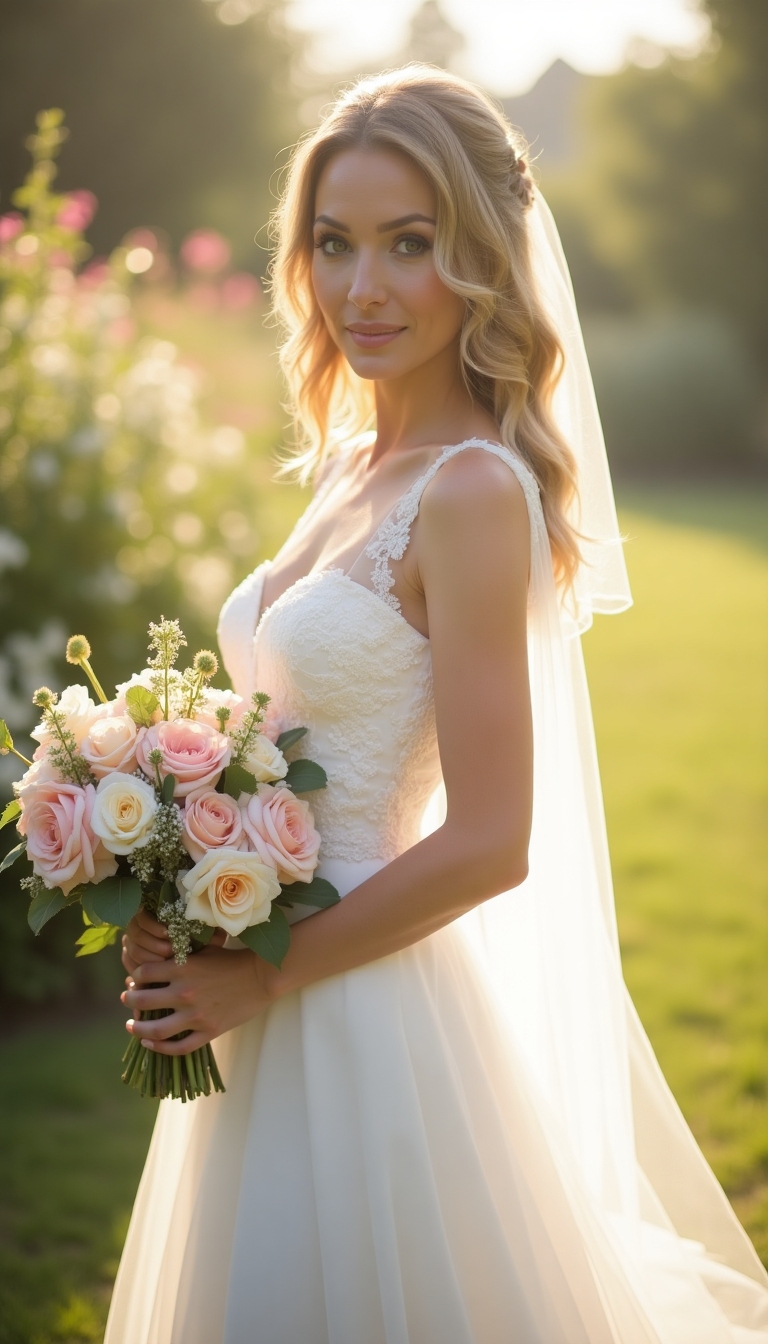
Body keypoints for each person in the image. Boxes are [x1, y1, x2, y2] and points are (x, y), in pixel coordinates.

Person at [107, 66, 768, 1343]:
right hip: (262, 984)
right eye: (334, 242)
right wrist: (174, 884)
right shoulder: (354, 462)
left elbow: (491, 840)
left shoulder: (467, 492)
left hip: (362, 1001)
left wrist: (264, 971)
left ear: (481, 260)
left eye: (411, 245)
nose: (364, 287)